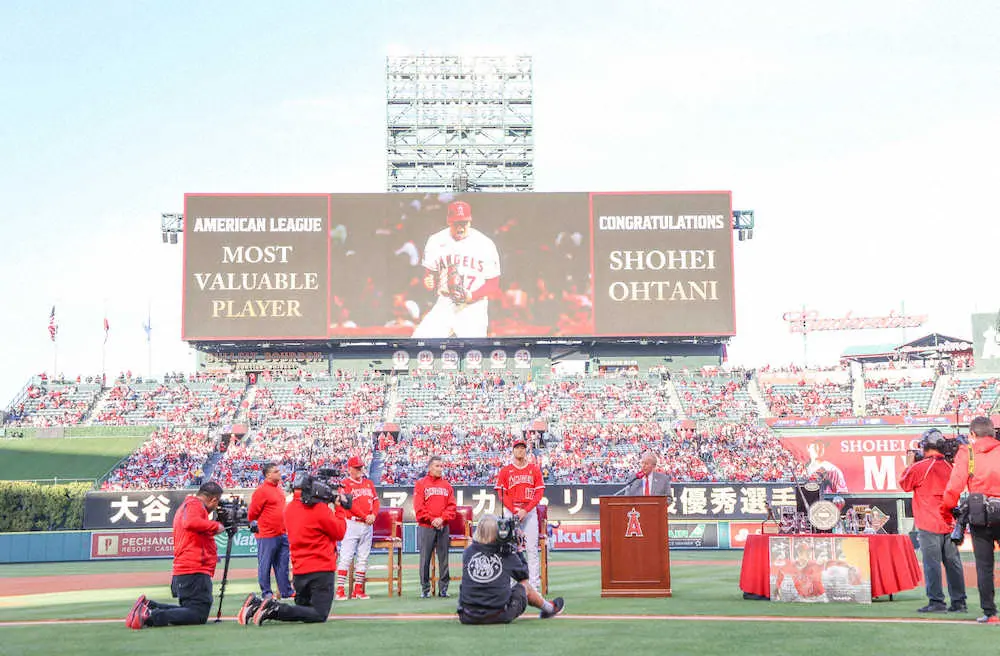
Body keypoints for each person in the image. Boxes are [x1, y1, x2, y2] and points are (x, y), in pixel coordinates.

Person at [239, 472, 348, 625]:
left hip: (299, 571)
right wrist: (340, 509)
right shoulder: (320, 510)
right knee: (319, 614)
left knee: (303, 611)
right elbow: (340, 532)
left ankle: (256, 604)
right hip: (320, 569)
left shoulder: (289, 509)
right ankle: (273, 608)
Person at [126, 482, 227, 629]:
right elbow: (191, 522)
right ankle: (150, 616)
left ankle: (150, 606)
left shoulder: (189, 506)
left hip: (188, 568)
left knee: (191, 609)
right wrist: (216, 526)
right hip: (194, 568)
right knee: (198, 614)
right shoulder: (194, 505)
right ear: (214, 499)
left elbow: (195, 528)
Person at [411, 200, 501, 338]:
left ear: (470, 221)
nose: (460, 227)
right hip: (445, 303)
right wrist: (428, 281)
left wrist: (472, 296)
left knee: (472, 353)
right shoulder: (435, 241)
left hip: (473, 307)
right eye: (456, 223)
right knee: (418, 341)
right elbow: (430, 274)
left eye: (464, 223)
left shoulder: (485, 244)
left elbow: (493, 284)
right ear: (448, 221)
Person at [899, 429, 966, 613]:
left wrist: (908, 464)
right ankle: (959, 602)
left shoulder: (920, 467)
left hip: (929, 523)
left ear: (925, 446)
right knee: (953, 564)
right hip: (950, 522)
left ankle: (937, 602)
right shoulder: (950, 466)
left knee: (932, 565)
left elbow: (904, 485)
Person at [941, 416, 1000, 624]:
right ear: (993, 433)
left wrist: (947, 510)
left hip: (979, 513)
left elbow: (954, 487)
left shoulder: (968, 452)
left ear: (972, 435)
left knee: (984, 566)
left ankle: (990, 613)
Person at [457, 514, 564, 624]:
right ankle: (550, 608)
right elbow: (523, 575)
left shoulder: (468, 552)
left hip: (467, 616)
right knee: (524, 585)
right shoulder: (504, 552)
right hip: (498, 615)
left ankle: (471, 609)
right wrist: (518, 549)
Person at [494, 436, 545, 591]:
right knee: (510, 548)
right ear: (513, 450)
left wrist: (526, 510)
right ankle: (511, 584)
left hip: (529, 512)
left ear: (526, 450)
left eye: (522, 447)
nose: (520, 450)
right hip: (511, 512)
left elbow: (539, 493)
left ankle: (534, 586)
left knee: (531, 548)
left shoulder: (534, 470)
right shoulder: (505, 471)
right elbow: (502, 494)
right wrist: (515, 510)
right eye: (517, 447)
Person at [335, 456, 380, 600]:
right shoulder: (344, 484)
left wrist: (373, 515)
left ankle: (358, 590)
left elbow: (376, 502)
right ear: (349, 469)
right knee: (346, 557)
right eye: (356, 467)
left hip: (367, 524)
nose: (359, 470)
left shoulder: (369, 483)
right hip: (352, 523)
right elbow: (349, 505)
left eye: (360, 467)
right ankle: (340, 590)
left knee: (363, 558)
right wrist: (364, 515)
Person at [414, 455, 458, 598]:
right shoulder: (421, 484)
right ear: (430, 467)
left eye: (441, 466)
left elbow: (452, 507)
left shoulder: (447, 485)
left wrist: (442, 519)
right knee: (425, 559)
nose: (440, 469)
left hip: (443, 526)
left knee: (444, 559)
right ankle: (425, 589)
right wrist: (432, 519)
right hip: (426, 526)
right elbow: (419, 507)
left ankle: (443, 589)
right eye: (437, 466)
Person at [248, 463, 293, 600]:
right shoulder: (261, 491)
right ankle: (266, 592)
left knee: (283, 564)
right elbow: (252, 514)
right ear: (267, 475)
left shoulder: (279, 490)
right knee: (265, 564)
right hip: (266, 534)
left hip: (281, 533)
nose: (279, 473)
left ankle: (286, 591)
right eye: (275, 471)